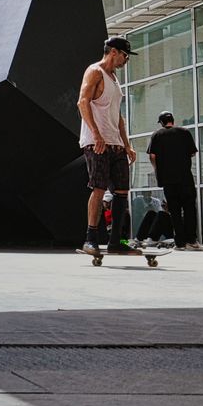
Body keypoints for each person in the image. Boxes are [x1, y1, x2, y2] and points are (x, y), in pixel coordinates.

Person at [76, 36, 144, 257]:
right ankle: (91, 239)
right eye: (125, 55)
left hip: (116, 145)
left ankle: (116, 241)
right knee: (98, 188)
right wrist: (96, 134)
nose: (126, 60)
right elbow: (82, 101)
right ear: (113, 52)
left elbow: (118, 117)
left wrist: (127, 145)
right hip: (97, 143)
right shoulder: (95, 71)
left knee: (122, 192)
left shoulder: (114, 79)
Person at [147, 112, 203, 250]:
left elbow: (153, 156)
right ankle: (192, 241)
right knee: (189, 209)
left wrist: (158, 170)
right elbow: (192, 153)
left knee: (174, 212)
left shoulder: (157, 135)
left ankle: (180, 243)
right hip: (185, 178)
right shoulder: (185, 132)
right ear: (173, 120)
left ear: (161, 122)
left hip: (168, 180)